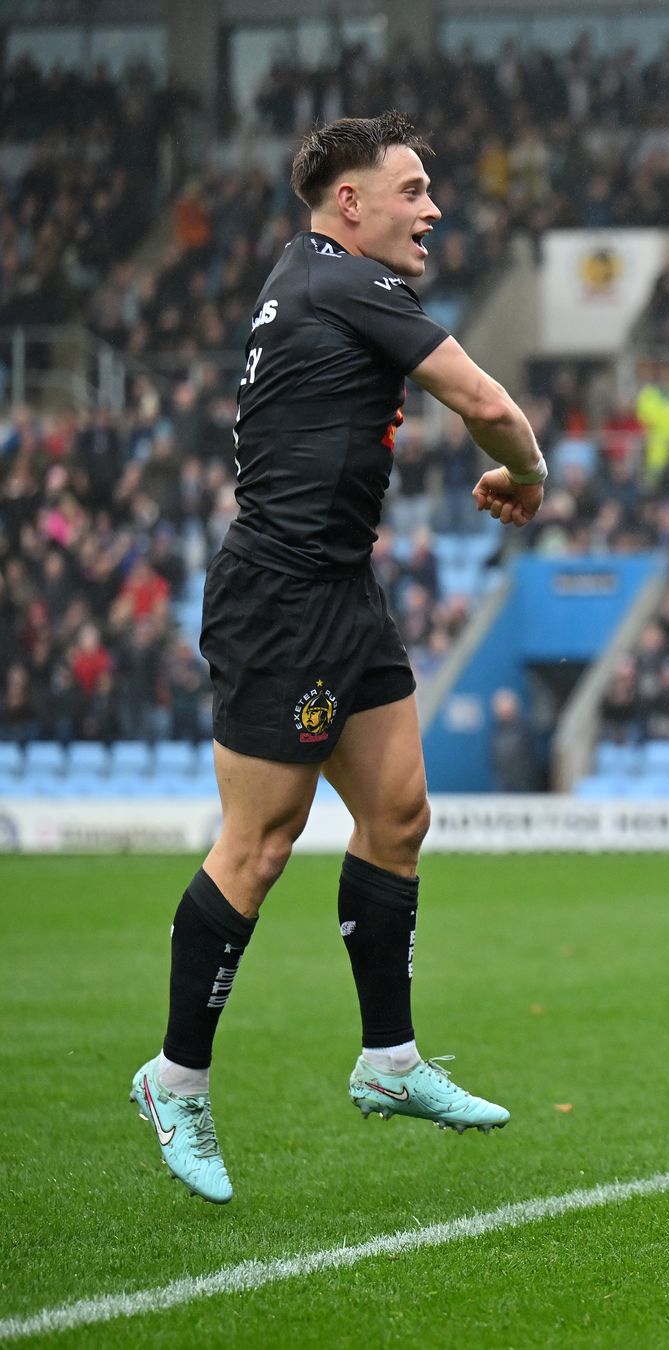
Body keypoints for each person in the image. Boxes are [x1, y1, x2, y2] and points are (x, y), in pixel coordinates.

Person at [130, 114, 545, 1205]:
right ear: (347, 204)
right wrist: (530, 478)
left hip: (339, 590)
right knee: (259, 846)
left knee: (399, 813)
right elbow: (489, 404)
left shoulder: (311, 279)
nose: (432, 209)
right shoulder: (340, 281)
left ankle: (390, 1062)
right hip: (280, 601)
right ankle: (174, 1081)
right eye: (411, 189)